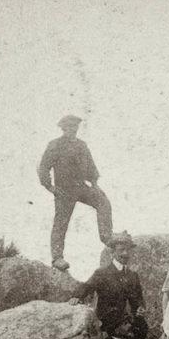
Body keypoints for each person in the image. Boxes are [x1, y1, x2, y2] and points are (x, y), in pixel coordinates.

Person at [38, 114, 113, 271]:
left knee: (103, 201)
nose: (73, 130)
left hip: (81, 186)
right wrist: (50, 187)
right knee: (61, 222)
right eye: (70, 127)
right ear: (63, 128)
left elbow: (90, 166)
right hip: (63, 190)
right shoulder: (55, 145)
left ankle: (107, 237)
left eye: (75, 127)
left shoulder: (81, 145)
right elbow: (44, 167)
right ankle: (57, 258)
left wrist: (94, 184)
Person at [72, 231, 145, 337]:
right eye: (121, 250)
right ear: (112, 253)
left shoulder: (133, 276)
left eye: (128, 250)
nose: (125, 253)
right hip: (106, 327)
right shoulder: (102, 273)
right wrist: (76, 296)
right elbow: (87, 286)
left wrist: (140, 308)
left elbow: (138, 299)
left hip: (127, 328)